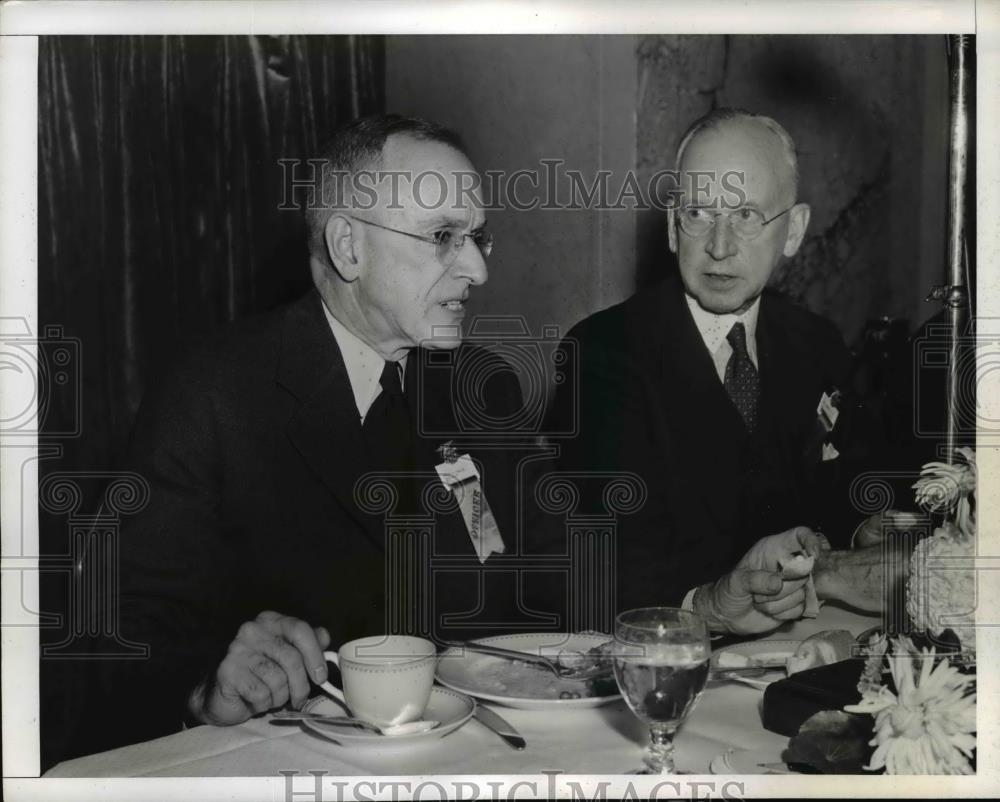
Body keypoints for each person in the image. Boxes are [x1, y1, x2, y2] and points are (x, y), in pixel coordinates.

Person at [93, 114, 530, 749]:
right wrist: (205, 681)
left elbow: (535, 590)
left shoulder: (485, 388)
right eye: (443, 236)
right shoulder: (215, 391)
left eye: (478, 238)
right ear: (349, 247)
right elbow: (116, 629)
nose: (478, 270)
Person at [548, 108, 868, 633]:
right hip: (666, 649)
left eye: (745, 216)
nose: (719, 247)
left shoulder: (817, 343)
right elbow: (606, 561)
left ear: (793, 231)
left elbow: (840, 496)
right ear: (674, 226)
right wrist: (719, 600)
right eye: (698, 214)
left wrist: (864, 532)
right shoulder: (603, 353)